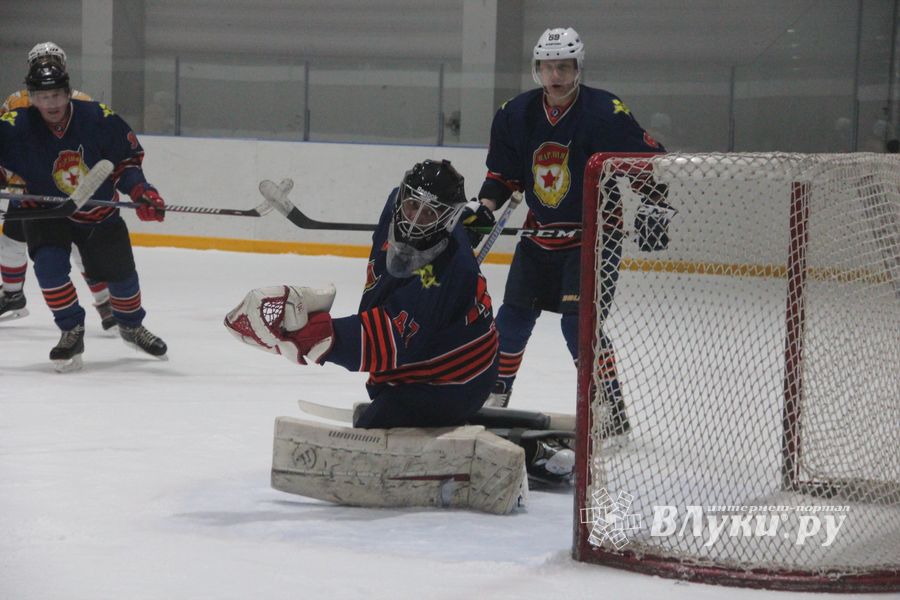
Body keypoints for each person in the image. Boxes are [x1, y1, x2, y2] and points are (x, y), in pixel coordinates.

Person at [225, 159, 574, 485]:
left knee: (377, 419)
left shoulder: (451, 273)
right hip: (430, 362)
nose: (413, 218)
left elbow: (391, 339)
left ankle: (524, 455)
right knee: (381, 400)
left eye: (429, 214)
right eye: (411, 206)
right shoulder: (397, 205)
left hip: (455, 383)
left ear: (447, 219)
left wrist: (320, 338)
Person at [465, 27, 668, 437]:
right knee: (512, 321)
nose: (555, 75)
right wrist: (484, 209)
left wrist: (653, 204)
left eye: (564, 66)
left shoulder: (604, 112)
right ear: (536, 69)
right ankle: (496, 396)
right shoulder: (514, 113)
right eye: (547, 66)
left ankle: (607, 404)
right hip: (541, 235)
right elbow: (502, 176)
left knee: (577, 326)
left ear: (578, 68)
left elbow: (647, 162)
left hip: (595, 236)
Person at [0, 56, 168, 371]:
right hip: (46, 212)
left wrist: (142, 192)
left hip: (96, 211)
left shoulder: (98, 118)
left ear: (67, 93)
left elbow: (126, 163)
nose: (50, 103)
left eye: (56, 95)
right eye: (42, 97)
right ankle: (70, 330)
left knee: (122, 277)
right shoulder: (14, 125)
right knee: (49, 269)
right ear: (32, 98)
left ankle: (131, 325)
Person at [0, 41, 115, 329]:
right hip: (26, 189)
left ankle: (106, 303)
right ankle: (13, 296)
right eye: (41, 60)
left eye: (52, 58)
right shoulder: (15, 101)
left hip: (65, 188)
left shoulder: (82, 102)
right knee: (10, 243)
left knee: (77, 248)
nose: (46, 63)